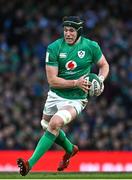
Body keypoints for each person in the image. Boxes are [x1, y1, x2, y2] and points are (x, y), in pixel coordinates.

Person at [17, 16, 109, 176]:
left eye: (72, 30)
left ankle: (29, 164)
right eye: (65, 30)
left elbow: (104, 65)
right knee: (45, 125)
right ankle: (70, 149)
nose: (68, 33)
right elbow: (52, 81)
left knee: (54, 124)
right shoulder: (54, 48)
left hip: (76, 99)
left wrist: (100, 80)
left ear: (78, 32)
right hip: (55, 94)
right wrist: (76, 82)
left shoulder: (91, 46)